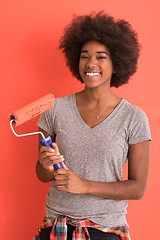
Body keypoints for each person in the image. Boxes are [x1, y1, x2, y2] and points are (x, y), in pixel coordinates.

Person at [34, 12, 151, 240]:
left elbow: (137, 188)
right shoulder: (53, 109)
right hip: (57, 227)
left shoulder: (134, 118)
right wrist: (47, 166)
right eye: (84, 56)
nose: (91, 64)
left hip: (105, 230)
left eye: (101, 57)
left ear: (117, 63)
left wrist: (85, 186)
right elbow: (41, 174)